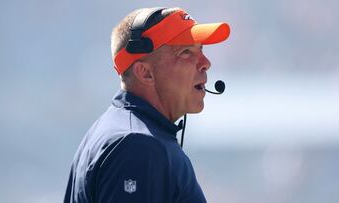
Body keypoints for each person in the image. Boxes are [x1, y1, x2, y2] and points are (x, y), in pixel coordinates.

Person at [64, 7, 230, 203]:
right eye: (186, 52)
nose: (206, 63)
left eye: (200, 50)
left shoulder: (124, 132)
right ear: (145, 73)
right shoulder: (137, 144)